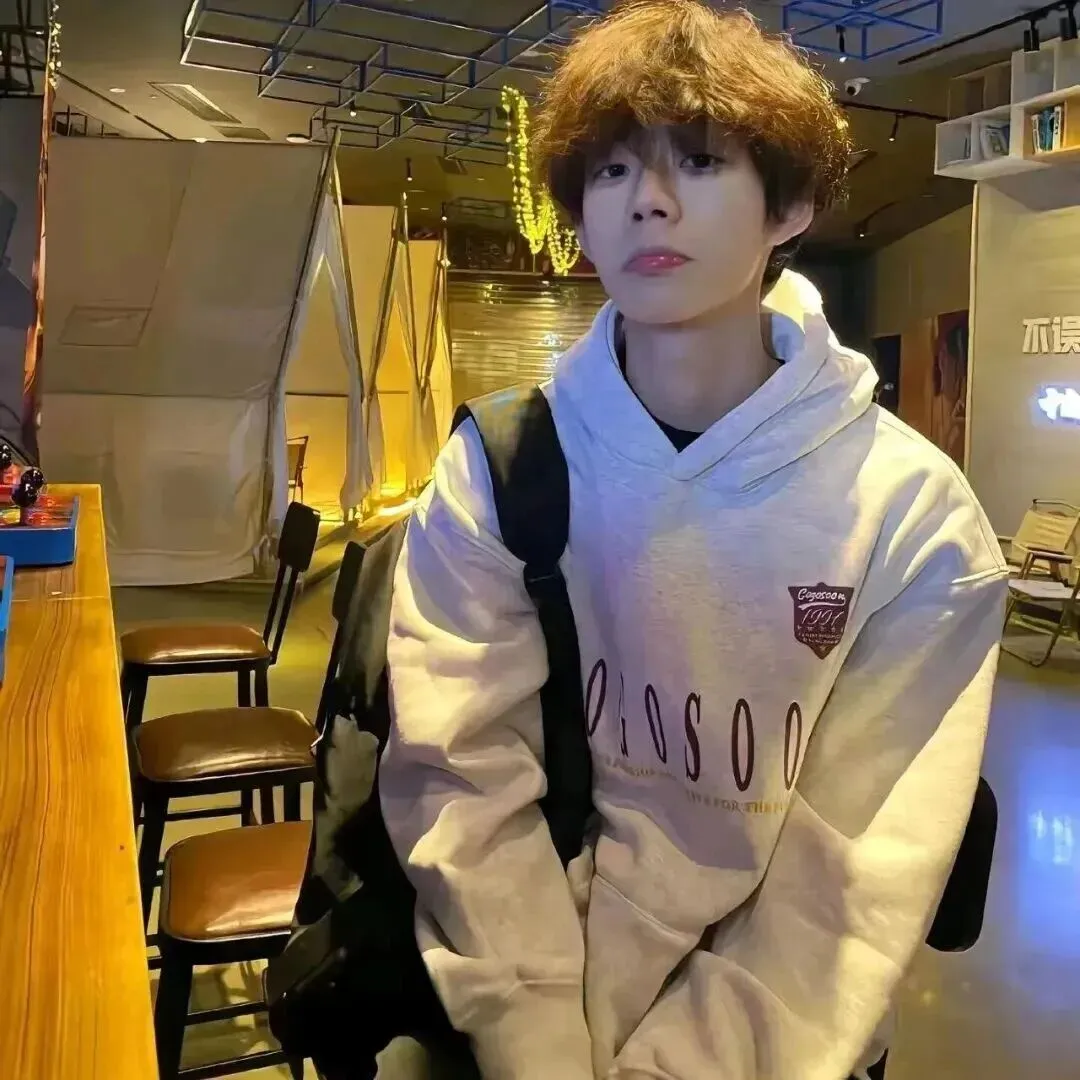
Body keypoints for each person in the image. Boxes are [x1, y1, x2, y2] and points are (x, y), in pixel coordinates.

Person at [379, 2, 1009, 1078]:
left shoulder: (911, 512)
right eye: (612, 171)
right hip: (518, 1022)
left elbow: (852, 867)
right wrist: (535, 1040)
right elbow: (461, 772)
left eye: (702, 162)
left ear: (790, 206)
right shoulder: (499, 467)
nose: (647, 200)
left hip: (783, 1040)